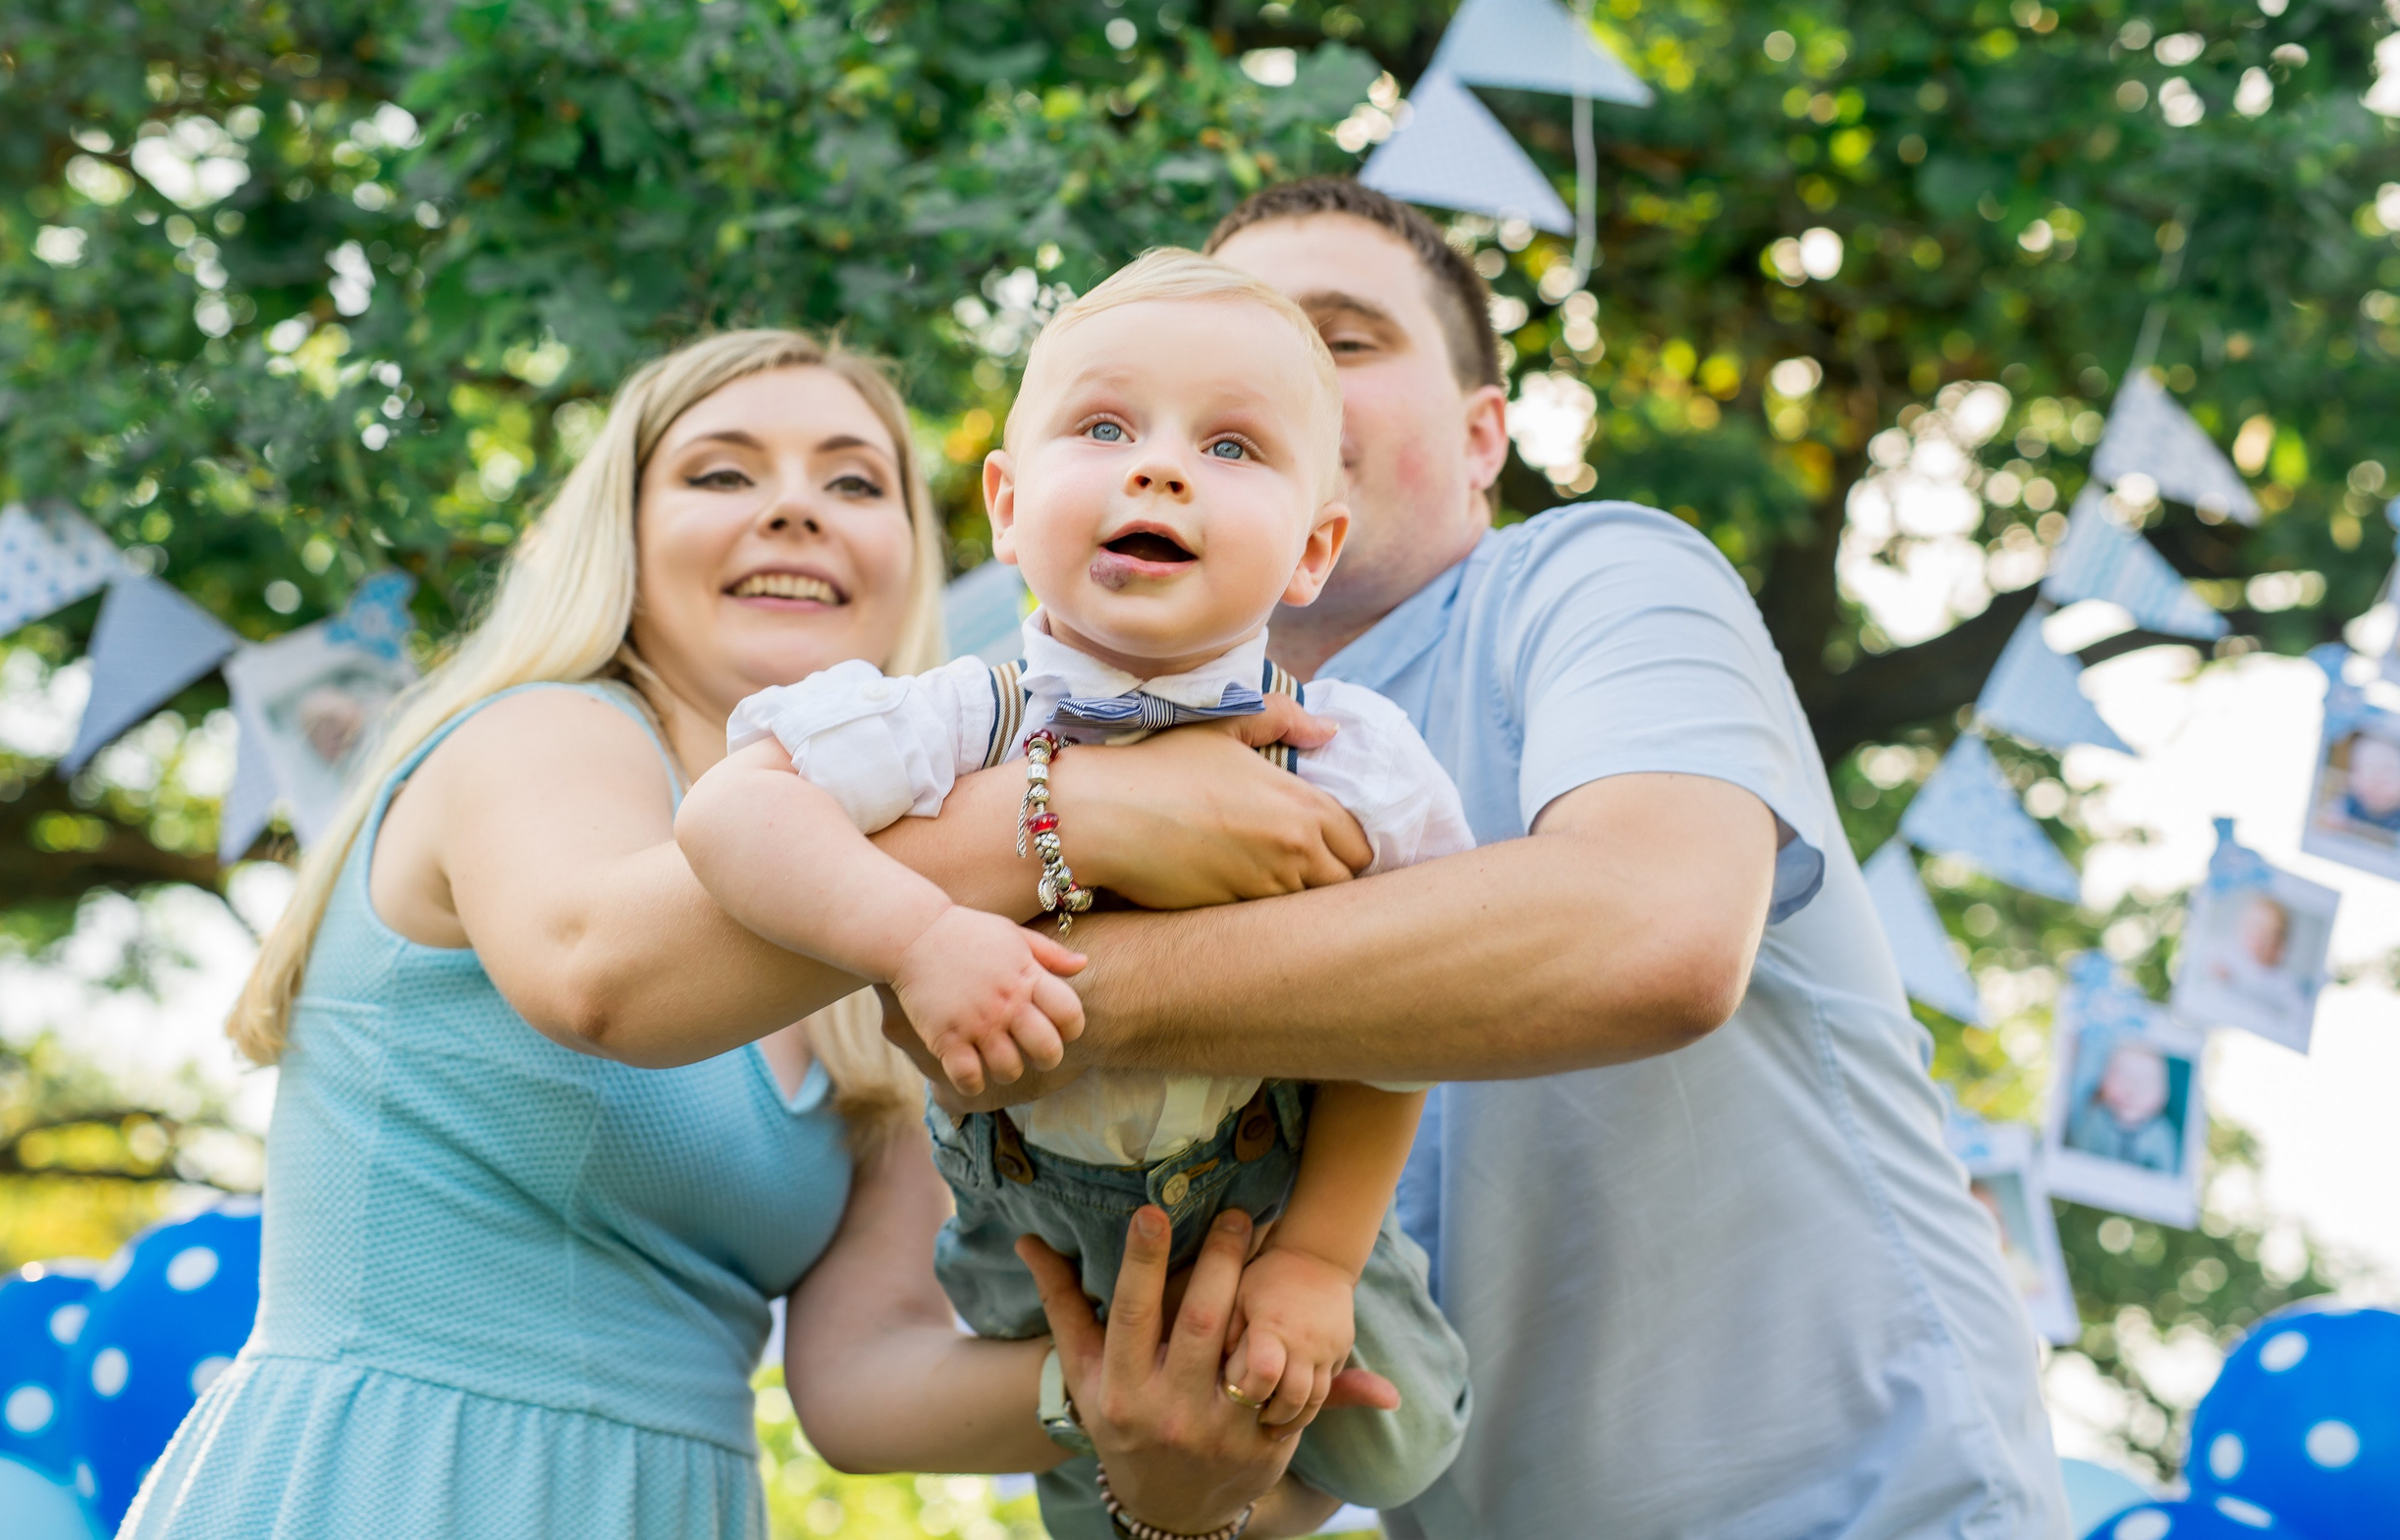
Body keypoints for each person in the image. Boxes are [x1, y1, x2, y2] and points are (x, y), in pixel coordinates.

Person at [883, 180, 2069, 1537]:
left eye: (1343, 340)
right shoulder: (1056, 730)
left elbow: (1654, 931)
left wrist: (1043, 988)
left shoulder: (1592, 578)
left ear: (1480, 434)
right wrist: (1168, 1491)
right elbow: (1312, 1444)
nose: (1264, 393)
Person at [122, 329, 1390, 1540]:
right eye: (722, 471)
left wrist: (1182, 1389)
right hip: (396, 1479)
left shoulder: (886, 933)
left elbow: (863, 1381)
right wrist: (1079, 811)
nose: (797, 509)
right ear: (618, 533)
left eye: (855, 481)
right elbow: (600, 975)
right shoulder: (542, 731)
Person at [683, 253, 1472, 1535]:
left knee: (1397, 1433)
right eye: (1104, 428)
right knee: (1085, 1483)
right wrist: (922, 932)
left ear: (1315, 547)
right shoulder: (956, 717)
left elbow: (1421, 1010)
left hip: (1268, 1203)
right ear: (1006, 505)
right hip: (1040, 1232)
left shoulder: (1349, 757)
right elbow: (729, 813)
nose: (1156, 468)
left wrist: (1323, 1258)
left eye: (1231, 445)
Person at [2065, 1041, 2182, 1176]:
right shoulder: (2094, 1120)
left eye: (2145, 1081)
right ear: (2103, 1082)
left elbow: (2168, 1175)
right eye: (2122, 1076)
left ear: (2163, 1095)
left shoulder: (2163, 1134)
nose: (2132, 1088)